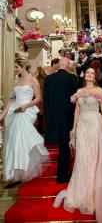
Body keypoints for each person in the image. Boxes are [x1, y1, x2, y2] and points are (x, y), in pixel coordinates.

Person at [53, 67, 102, 223]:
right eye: (88, 73)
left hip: (95, 124)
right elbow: (77, 110)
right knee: (83, 158)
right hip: (82, 125)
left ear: (94, 76)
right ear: (85, 76)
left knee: (96, 157)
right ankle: (82, 192)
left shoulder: (99, 90)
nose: (90, 75)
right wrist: (74, 127)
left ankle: (97, 194)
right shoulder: (79, 90)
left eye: (92, 73)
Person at [0, 58, 49, 187]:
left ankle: (21, 172)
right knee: (13, 141)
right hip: (14, 111)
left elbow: (38, 98)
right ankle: (16, 174)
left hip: (25, 111)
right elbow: (11, 100)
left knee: (20, 140)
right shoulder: (16, 80)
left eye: (16, 67)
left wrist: (26, 106)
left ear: (23, 67)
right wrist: (2, 115)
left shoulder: (33, 80)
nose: (15, 69)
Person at [44, 57, 78, 184]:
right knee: (65, 146)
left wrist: (48, 118)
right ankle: (62, 176)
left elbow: (46, 101)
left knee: (62, 146)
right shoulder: (73, 79)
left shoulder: (49, 79)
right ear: (68, 65)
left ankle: (62, 175)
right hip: (68, 117)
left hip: (54, 117)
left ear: (59, 64)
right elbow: (76, 102)